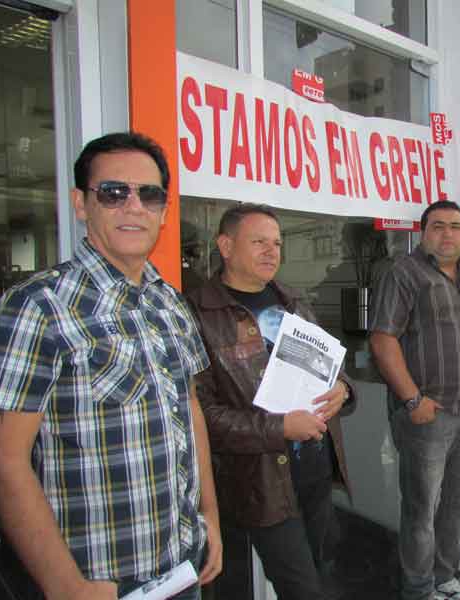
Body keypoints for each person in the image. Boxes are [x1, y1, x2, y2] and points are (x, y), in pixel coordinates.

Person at [0, 132, 222, 600]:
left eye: (149, 194)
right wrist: (66, 586)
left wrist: (210, 519)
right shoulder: (37, 307)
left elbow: (190, 411)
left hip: (182, 565)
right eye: (114, 192)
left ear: (164, 210)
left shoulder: (170, 303)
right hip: (96, 582)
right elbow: (5, 459)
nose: (134, 206)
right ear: (81, 203)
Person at [186, 203, 355, 600]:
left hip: (314, 471)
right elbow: (200, 417)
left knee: (319, 570)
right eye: (258, 242)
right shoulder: (196, 314)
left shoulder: (294, 301)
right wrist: (279, 428)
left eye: (277, 243)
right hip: (257, 483)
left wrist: (343, 388)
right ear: (226, 246)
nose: (271, 251)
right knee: (300, 589)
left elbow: (330, 365)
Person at [369, 200, 460, 600]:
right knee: (421, 510)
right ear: (423, 232)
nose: (447, 234)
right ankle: (418, 589)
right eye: (437, 226)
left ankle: (444, 576)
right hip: (427, 418)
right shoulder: (404, 274)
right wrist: (413, 400)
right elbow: (382, 339)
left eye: (454, 226)